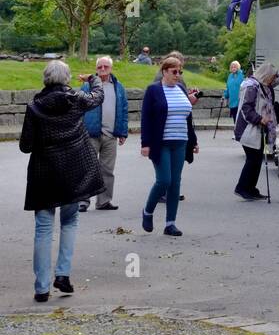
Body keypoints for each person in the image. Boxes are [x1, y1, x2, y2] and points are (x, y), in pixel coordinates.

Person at [19, 60, 104, 301]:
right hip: (74, 171)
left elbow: (26, 146)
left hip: (44, 173)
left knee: (43, 229)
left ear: (45, 78)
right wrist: (92, 79)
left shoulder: (35, 106)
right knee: (70, 221)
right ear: (66, 79)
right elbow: (98, 96)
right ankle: (63, 274)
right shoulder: (76, 99)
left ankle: (42, 287)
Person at [140, 56, 198, 236]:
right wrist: (145, 143)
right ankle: (147, 211)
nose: (178, 75)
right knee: (164, 180)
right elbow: (146, 118)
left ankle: (170, 223)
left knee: (175, 183)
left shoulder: (181, 89)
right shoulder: (153, 90)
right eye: (174, 71)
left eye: (180, 72)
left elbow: (188, 118)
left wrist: (193, 140)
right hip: (161, 143)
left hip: (180, 141)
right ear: (164, 71)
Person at [234, 57, 279, 199]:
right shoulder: (252, 86)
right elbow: (246, 108)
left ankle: (250, 188)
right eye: (271, 78)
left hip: (257, 128)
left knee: (256, 159)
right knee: (253, 159)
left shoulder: (264, 84)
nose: (273, 81)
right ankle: (242, 188)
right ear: (265, 76)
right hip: (247, 129)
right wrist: (259, 119)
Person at [78, 56, 128, 212]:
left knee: (107, 170)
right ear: (96, 69)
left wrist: (123, 132)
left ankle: (104, 201)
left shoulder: (119, 87)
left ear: (111, 68)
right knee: (87, 168)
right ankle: (83, 201)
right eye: (100, 67)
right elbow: (79, 108)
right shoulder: (87, 86)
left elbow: (123, 110)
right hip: (91, 133)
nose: (103, 69)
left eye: (106, 66)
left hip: (111, 135)